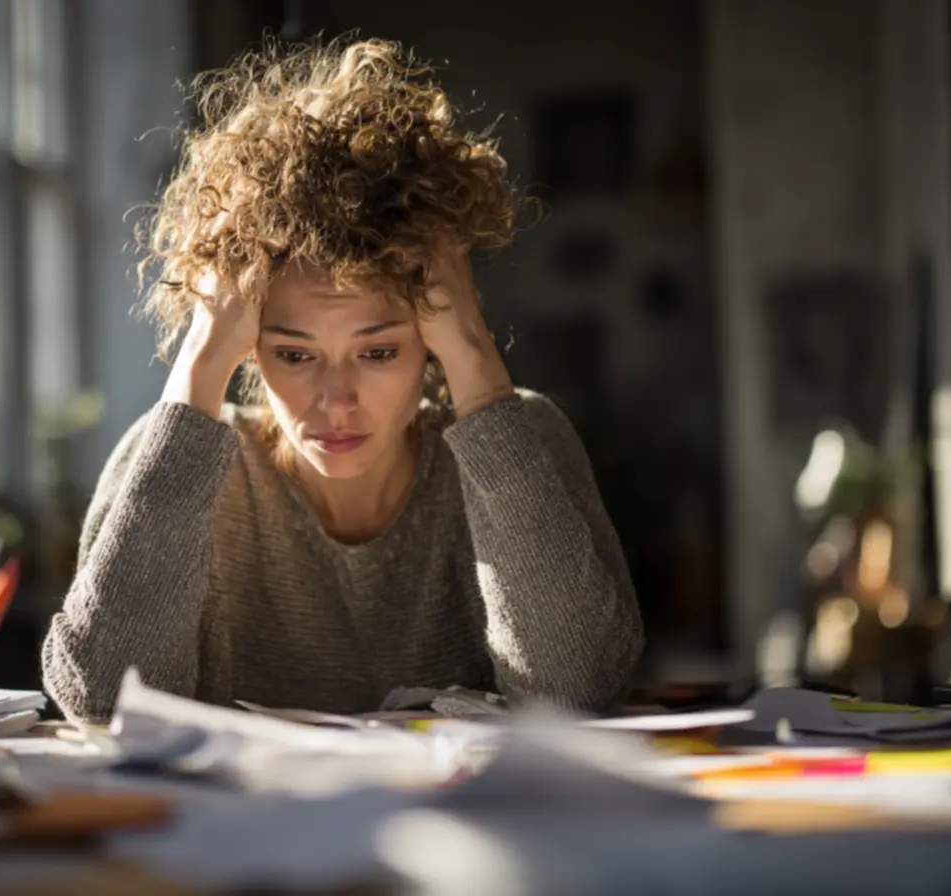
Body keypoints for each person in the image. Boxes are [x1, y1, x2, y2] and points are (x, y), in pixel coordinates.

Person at [41, 37, 644, 724]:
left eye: (379, 352)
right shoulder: (168, 456)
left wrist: (475, 353)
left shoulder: (524, 437)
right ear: (249, 349)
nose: (336, 401)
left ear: (431, 339)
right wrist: (199, 363)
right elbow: (98, 702)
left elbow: (579, 692)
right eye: (295, 355)